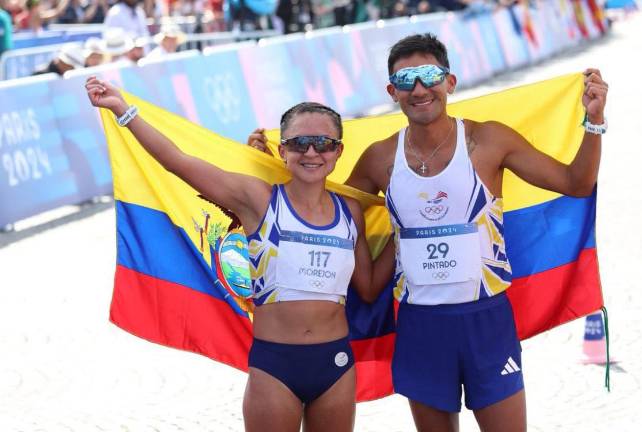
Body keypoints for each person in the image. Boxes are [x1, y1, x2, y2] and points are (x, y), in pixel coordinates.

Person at [248, 32, 608, 432]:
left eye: (428, 75)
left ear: (449, 82)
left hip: (485, 319)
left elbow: (576, 183)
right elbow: (323, 205)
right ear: (392, 92)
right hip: (420, 324)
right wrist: (271, 171)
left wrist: (593, 122)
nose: (418, 88)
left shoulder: (487, 140)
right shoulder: (380, 157)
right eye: (405, 80)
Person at [85, 77, 395, 432]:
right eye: (299, 143)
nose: (311, 153)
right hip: (275, 366)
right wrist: (124, 110)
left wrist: (406, 232)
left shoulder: (351, 211)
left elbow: (368, 287)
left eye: (323, 143)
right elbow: (178, 162)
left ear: (338, 151)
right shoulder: (257, 199)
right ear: (283, 151)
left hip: (336, 363)